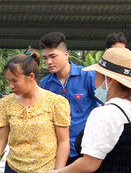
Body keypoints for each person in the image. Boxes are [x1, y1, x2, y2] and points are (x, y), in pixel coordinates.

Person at [0, 49, 70, 173]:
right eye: (8, 81)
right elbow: (1, 141)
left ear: (31, 77)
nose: (11, 86)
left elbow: (63, 141)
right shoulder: (4, 104)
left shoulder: (56, 102)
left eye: (15, 81)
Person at [39, 32, 99, 164]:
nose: (49, 62)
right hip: (55, 152)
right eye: (45, 58)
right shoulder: (44, 84)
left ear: (66, 54)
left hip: (84, 150)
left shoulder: (88, 76)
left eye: (53, 56)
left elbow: (105, 105)